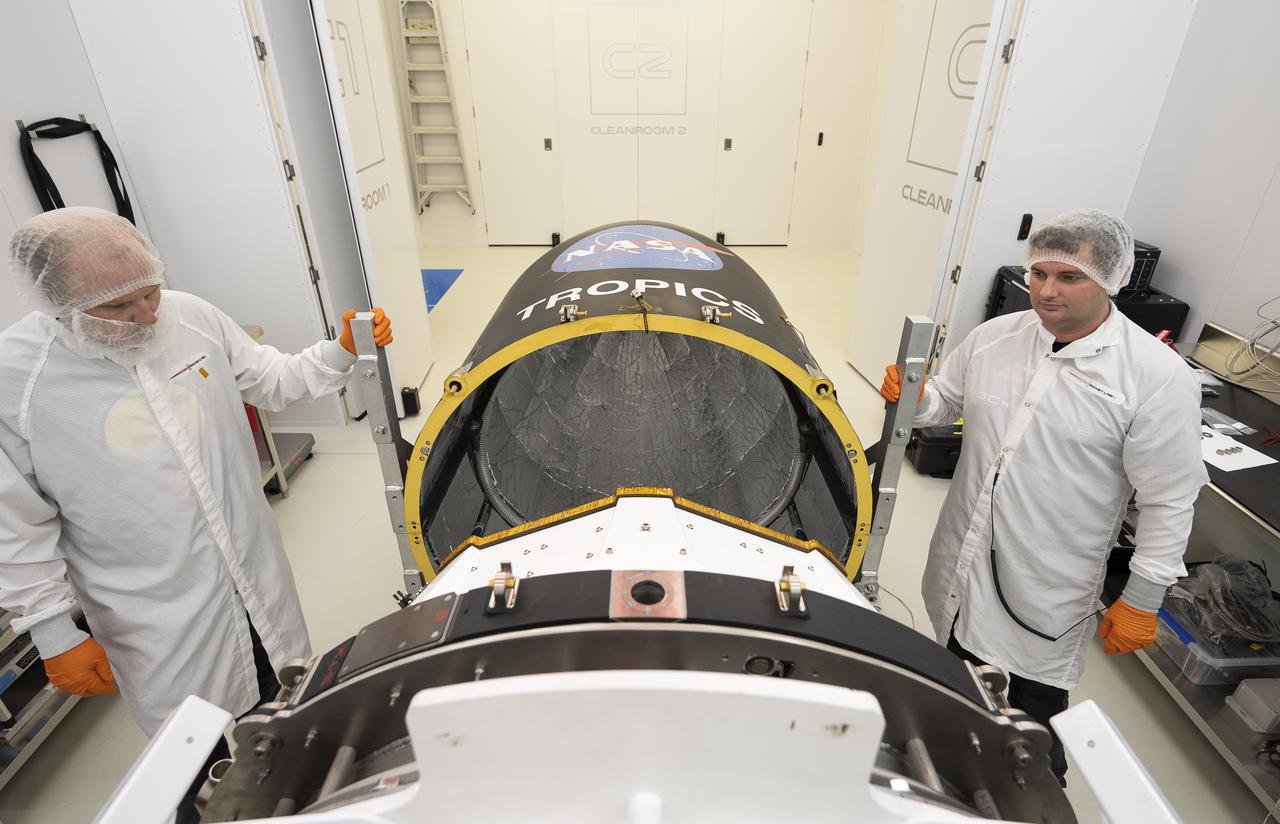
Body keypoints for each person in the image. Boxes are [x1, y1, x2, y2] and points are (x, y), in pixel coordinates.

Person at [0, 207, 393, 815]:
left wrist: (339, 352)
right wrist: (52, 630)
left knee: (284, 703)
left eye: (150, 290)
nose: (148, 314)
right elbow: (16, 523)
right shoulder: (17, 378)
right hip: (154, 613)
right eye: (119, 307)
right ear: (60, 306)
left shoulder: (191, 317)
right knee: (194, 754)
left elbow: (272, 381)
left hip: (252, 572)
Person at [880, 209, 1206, 783]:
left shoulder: (1155, 376)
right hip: (962, 551)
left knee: (1028, 727)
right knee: (959, 680)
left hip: (1047, 585)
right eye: (1038, 274)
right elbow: (946, 402)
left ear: (1109, 281)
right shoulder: (996, 337)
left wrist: (1144, 597)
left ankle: (1039, 799)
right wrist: (913, 395)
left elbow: (1170, 497)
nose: (1047, 291)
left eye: (1068, 278)